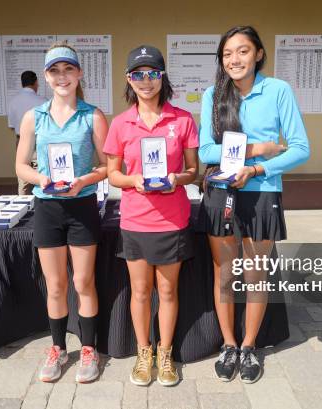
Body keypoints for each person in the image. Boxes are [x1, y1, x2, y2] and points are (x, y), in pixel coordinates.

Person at [197, 26, 310, 383]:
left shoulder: (277, 91)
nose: (235, 60)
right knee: (225, 273)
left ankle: (249, 346)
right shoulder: (213, 95)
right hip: (221, 194)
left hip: (262, 195)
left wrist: (258, 168)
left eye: (243, 51)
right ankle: (228, 344)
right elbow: (206, 152)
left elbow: (300, 148)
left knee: (256, 273)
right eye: (228, 54)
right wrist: (257, 149)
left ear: (258, 54)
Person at [103, 45, 199, 387]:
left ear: (162, 77)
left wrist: (178, 178)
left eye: (153, 73)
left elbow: (194, 171)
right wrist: (134, 181)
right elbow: (112, 174)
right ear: (130, 79)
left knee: (168, 291)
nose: (146, 81)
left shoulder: (183, 119)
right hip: (135, 220)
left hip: (172, 220)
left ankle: (166, 352)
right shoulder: (120, 123)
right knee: (140, 291)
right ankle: (144, 354)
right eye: (138, 74)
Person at [16, 43, 107, 383]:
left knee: (83, 281)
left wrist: (83, 179)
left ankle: (88, 348)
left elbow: (109, 166)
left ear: (79, 73)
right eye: (55, 71)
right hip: (48, 207)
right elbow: (20, 165)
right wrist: (43, 179)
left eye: (68, 69)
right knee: (55, 285)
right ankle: (57, 347)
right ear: (46, 77)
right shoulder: (33, 117)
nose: (62, 77)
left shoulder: (93, 115)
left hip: (81, 206)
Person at [8, 70, 47, 195]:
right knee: (40, 174)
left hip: (20, 140)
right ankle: (41, 201)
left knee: (23, 177)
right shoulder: (43, 101)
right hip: (38, 141)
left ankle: (22, 204)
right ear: (36, 82)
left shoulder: (13, 101)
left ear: (22, 83)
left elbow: (11, 125)